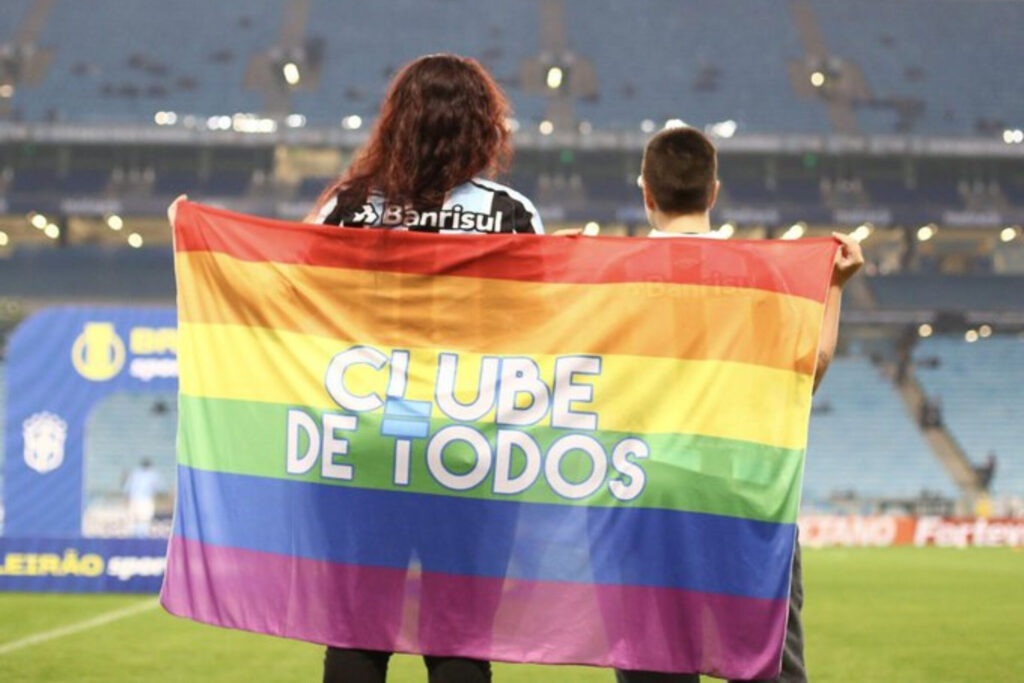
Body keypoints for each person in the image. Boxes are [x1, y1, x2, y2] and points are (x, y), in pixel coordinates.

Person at [309, 54, 542, 683]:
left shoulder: (346, 208)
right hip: (467, 441)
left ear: (397, 121)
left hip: (366, 439)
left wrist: (200, 242)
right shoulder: (511, 215)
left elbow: (295, 301)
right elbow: (539, 333)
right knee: (459, 634)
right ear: (483, 127)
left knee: (357, 630)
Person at [613, 126, 864, 683]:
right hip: (746, 497)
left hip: (646, 496)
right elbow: (805, 375)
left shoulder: (613, 275)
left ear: (647, 193)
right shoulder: (762, 275)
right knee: (765, 669)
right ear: (714, 191)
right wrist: (835, 289)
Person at [123, 457, 162, 537]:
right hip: (139, 499)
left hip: (142, 499)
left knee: (142, 520)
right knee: (138, 519)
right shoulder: (138, 473)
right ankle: (137, 535)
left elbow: (160, 488)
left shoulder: (151, 474)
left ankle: (140, 535)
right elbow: (127, 488)